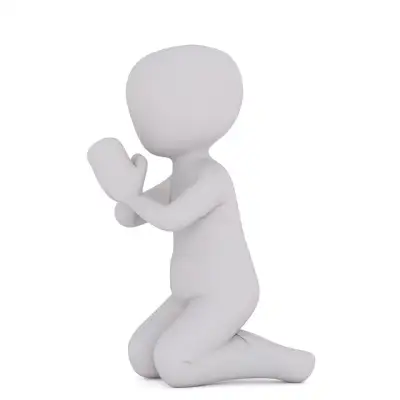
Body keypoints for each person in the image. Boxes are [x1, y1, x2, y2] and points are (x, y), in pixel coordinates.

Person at [88, 45, 315, 388]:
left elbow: (171, 219)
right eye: (142, 110)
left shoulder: (212, 177)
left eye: (159, 105)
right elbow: (129, 217)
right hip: (186, 294)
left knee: (176, 365)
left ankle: (282, 361)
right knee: (142, 356)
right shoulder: (179, 176)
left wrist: (132, 196)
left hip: (226, 295)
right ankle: (220, 343)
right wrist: (124, 190)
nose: (147, 119)